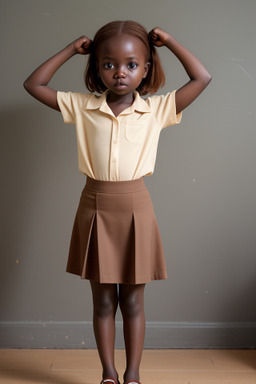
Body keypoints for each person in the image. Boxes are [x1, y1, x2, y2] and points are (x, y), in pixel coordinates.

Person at [24, 20, 211, 384]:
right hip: (94, 207)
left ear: (146, 69)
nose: (120, 73)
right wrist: (69, 50)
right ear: (96, 68)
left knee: (133, 303)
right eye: (108, 64)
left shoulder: (157, 110)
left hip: (136, 210)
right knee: (104, 302)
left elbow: (201, 78)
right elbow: (33, 85)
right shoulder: (81, 107)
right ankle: (109, 374)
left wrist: (169, 41)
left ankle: (133, 375)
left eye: (130, 64)